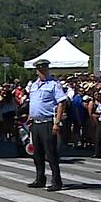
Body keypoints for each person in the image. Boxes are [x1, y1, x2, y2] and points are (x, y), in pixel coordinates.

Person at [26, 59, 68, 192]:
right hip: (35, 123)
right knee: (37, 153)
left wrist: (57, 122)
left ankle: (56, 180)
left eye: (43, 69)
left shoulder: (54, 85)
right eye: (39, 69)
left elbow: (61, 102)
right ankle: (40, 178)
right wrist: (30, 116)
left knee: (51, 153)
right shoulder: (33, 85)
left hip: (47, 122)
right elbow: (33, 103)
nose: (41, 71)